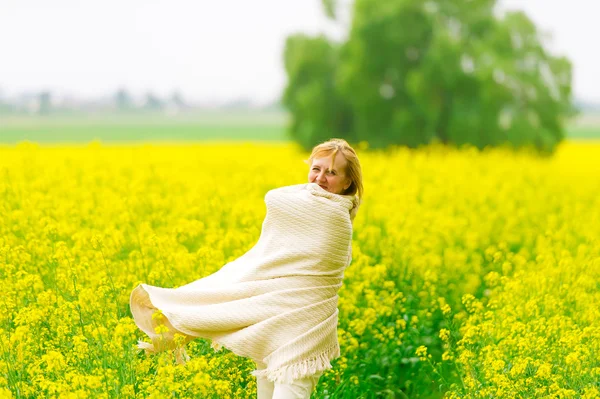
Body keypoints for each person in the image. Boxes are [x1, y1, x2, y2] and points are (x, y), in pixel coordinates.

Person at [129, 138, 364, 399]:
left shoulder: (335, 218)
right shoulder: (308, 204)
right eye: (316, 168)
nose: (320, 178)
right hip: (273, 324)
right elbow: (276, 213)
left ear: (347, 182)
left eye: (331, 172)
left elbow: (276, 199)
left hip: (303, 330)